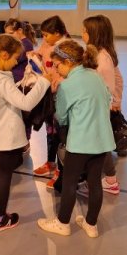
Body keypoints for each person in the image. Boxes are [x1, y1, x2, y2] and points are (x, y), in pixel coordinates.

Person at [37, 40, 115, 238]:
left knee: (69, 182)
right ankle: (91, 224)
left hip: (80, 142)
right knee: (95, 182)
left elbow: (61, 117)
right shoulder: (95, 76)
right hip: (102, 140)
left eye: (57, 65)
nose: (56, 70)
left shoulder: (68, 85)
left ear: (68, 62)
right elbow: (107, 98)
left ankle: (63, 223)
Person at [0, 34, 50, 233]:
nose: (17, 62)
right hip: (7, 137)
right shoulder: (2, 80)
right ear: (4, 55)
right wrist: (44, 82)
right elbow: (26, 103)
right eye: (16, 58)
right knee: (6, 176)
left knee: (15, 160)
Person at [81, 15, 122, 195]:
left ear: (94, 33)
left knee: (98, 146)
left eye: (84, 31)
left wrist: (116, 101)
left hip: (95, 109)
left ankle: (104, 181)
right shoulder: (99, 54)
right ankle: (110, 179)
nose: (82, 34)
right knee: (100, 144)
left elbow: (106, 86)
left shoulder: (102, 59)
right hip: (96, 108)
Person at [32, 15, 70, 186]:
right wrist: (35, 55)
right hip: (49, 94)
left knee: (61, 133)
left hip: (61, 96)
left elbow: (70, 72)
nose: (44, 38)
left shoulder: (66, 47)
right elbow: (41, 53)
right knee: (50, 131)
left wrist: (57, 82)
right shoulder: (48, 43)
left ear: (57, 33)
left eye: (46, 35)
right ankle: (50, 163)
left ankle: (62, 170)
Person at [3, 18, 37, 152]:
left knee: (24, 115)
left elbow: (13, 60)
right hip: (14, 83)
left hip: (22, 85)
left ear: (20, 31)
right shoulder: (16, 44)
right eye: (6, 34)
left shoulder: (25, 44)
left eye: (11, 33)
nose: (9, 37)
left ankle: (25, 142)